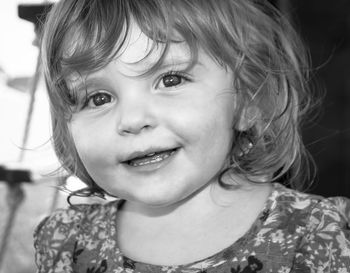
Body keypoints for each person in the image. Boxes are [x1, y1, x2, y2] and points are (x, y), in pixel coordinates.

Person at [34, 0, 350, 272]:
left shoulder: (315, 232)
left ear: (248, 100)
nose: (132, 120)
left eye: (170, 79)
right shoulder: (67, 245)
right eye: (98, 98)